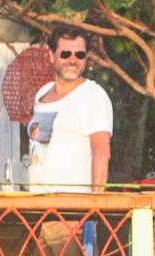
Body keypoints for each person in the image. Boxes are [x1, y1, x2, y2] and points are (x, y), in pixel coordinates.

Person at [19, 25, 114, 193]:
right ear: (51, 55)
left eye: (80, 54)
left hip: (72, 209)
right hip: (37, 203)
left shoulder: (93, 95)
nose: (72, 60)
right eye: (65, 54)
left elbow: (102, 153)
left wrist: (93, 206)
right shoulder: (42, 93)